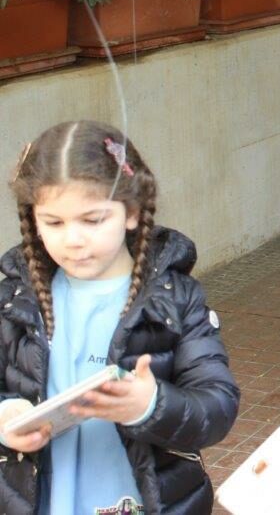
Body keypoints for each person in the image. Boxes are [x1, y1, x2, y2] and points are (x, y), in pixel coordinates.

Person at [0, 121, 240, 513]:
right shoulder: (13, 300)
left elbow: (217, 406)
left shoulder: (175, 301)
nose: (73, 239)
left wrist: (150, 405)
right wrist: (6, 415)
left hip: (143, 499)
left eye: (92, 220)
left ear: (130, 212)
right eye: (53, 222)